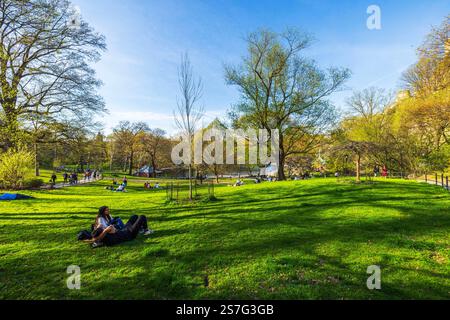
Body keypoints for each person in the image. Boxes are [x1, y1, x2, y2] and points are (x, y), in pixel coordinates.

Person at [86, 215, 154, 248]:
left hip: (124, 230)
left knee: (134, 216)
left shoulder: (103, 237)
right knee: (142, 217)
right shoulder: (108, 238)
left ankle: (141, 229)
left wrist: (100, 229)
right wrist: (105, 230)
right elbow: (112, 229)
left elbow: (96, 236)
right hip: (130, 234)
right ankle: (146, 230)